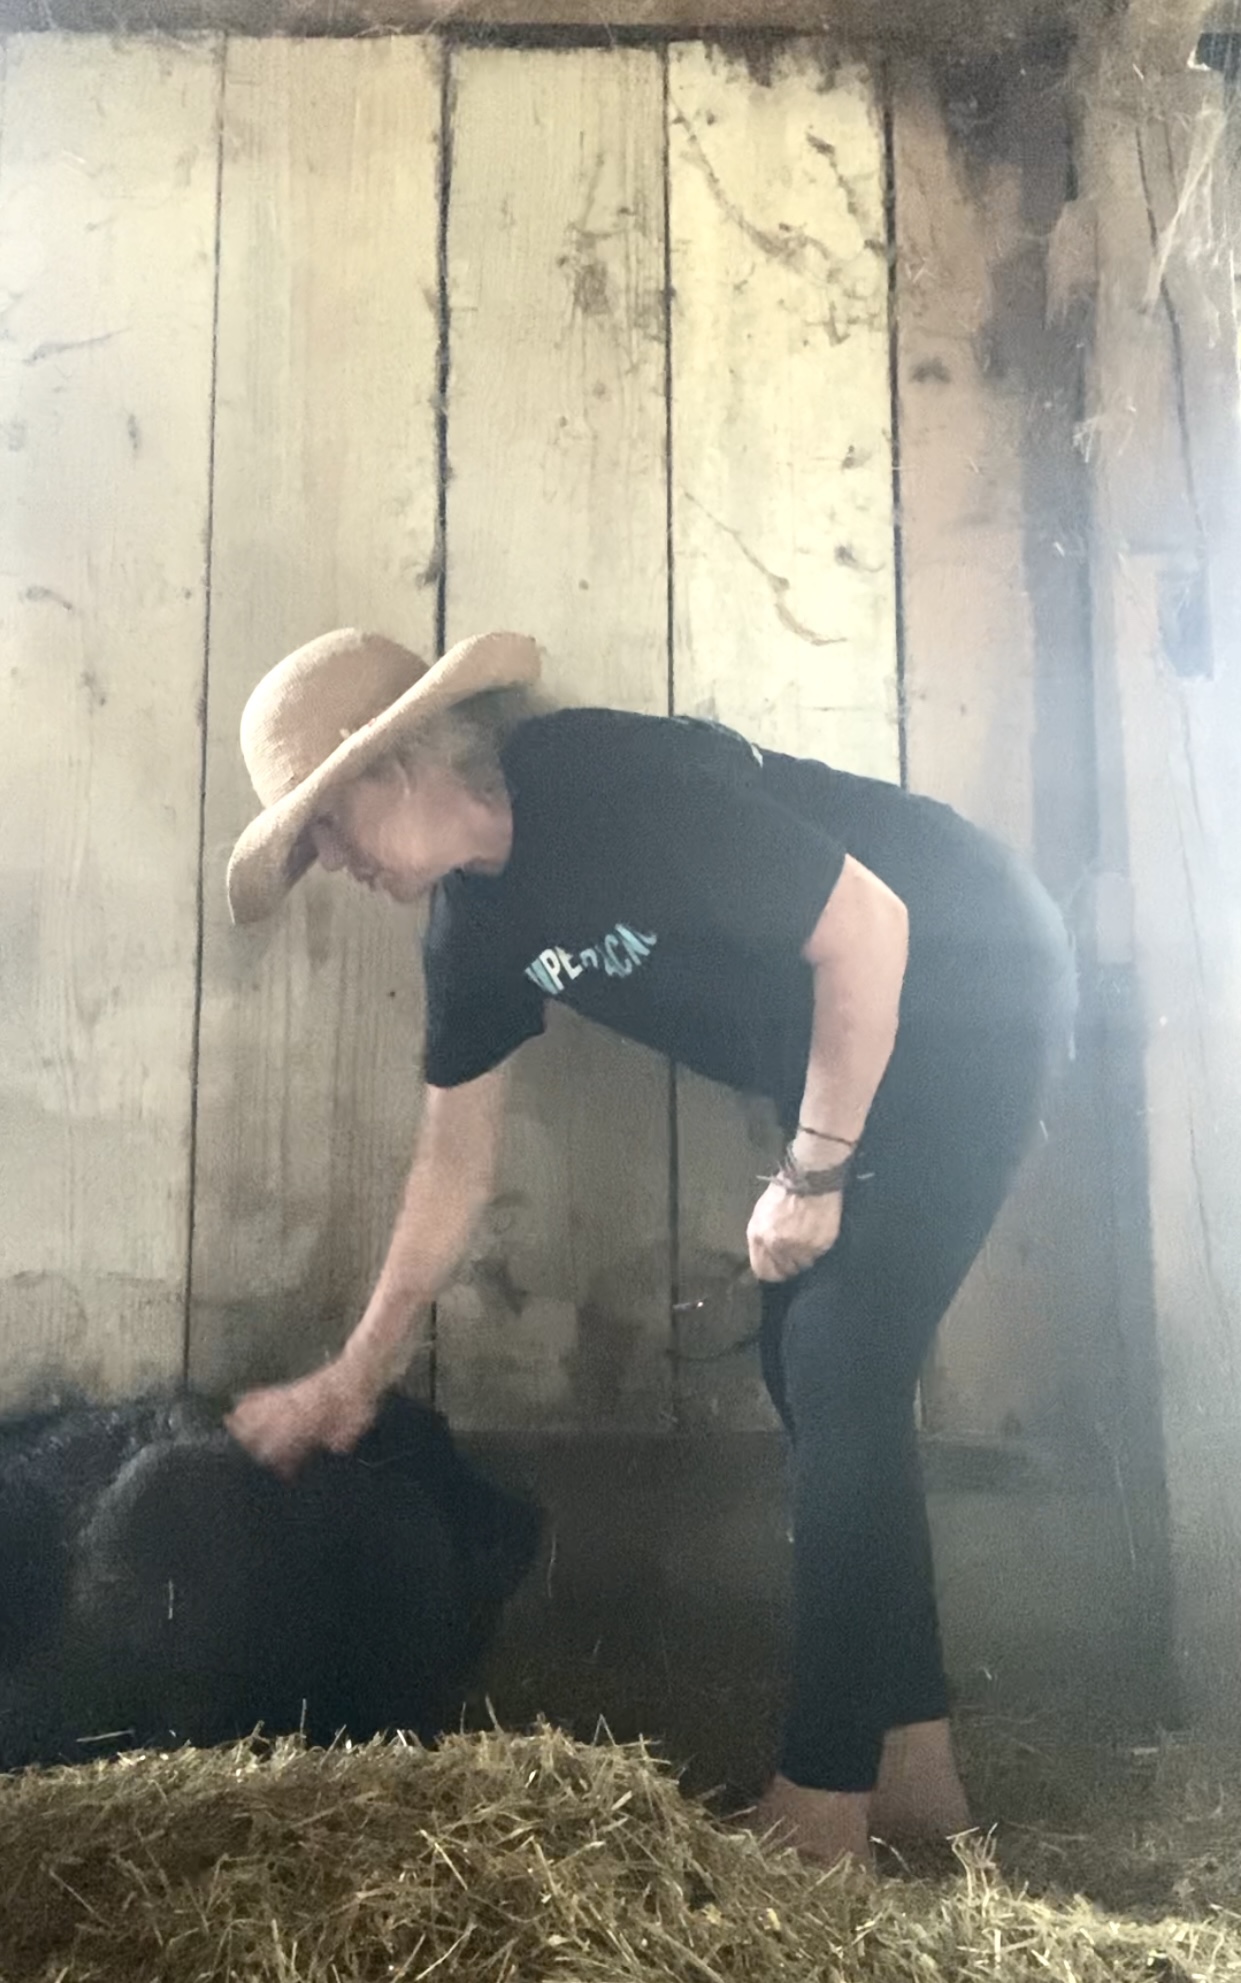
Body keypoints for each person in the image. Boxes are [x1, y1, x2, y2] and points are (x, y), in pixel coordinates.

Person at [223, 626, 1076, 1869]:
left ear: (394, 766)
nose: (329, 860)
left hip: (968, 978)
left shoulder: (600, 781)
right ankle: (914, 1772)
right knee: (820, 1365)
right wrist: (353, 1374)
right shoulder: (473, 928)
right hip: (864, 1040)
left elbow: (873, 926)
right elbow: (453, 1166)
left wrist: (813, 1170)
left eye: (324, 824)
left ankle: (821, 1812)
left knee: (836, 1357)